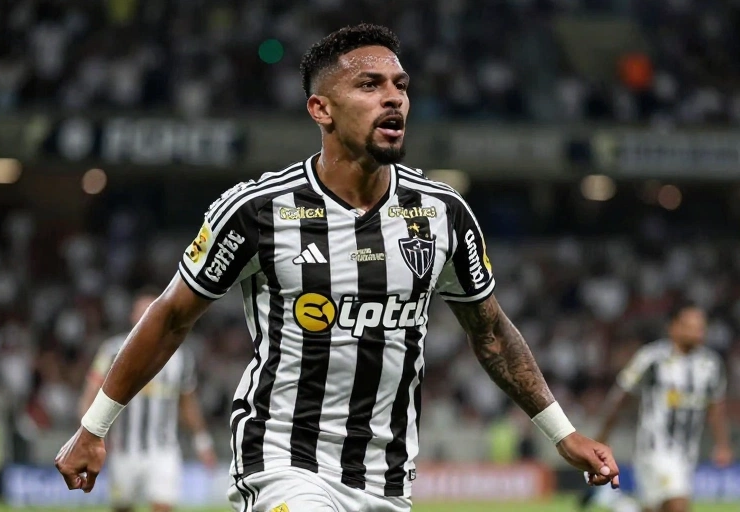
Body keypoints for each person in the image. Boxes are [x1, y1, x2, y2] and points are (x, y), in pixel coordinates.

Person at [56, 24, 620, 512]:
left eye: (401, 85)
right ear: (320, 109)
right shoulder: (257, 211)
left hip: (388, 478)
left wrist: (562, 433)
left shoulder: (441, 213)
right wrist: (93, 428)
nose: (393, 98)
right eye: (370, 85)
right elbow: (171, 316)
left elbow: (491, 332)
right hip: (282, 460)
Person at [77, 288, 217, 512]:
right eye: (141, 312)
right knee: (122, 508)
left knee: (163, 507)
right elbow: (90, 395)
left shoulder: (180, 356)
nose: (146, 318)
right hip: (123, 448)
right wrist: (90, 437)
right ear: (132, 316)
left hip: (163, 449)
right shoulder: (112, 351)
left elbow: (187, 402)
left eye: (152, 312)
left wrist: (203, 442)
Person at [595, 301, 731, 512]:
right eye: (691, 326)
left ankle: (621, 506)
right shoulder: (652, 358)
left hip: (687, 452)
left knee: (658, 508)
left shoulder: (710, 364)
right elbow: (621, 396)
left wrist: (722, 444)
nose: (698, 332)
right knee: (678, 505)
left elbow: (716, 406)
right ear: (674, 327)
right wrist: (602, 437)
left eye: (701, 327)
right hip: (655, 449)